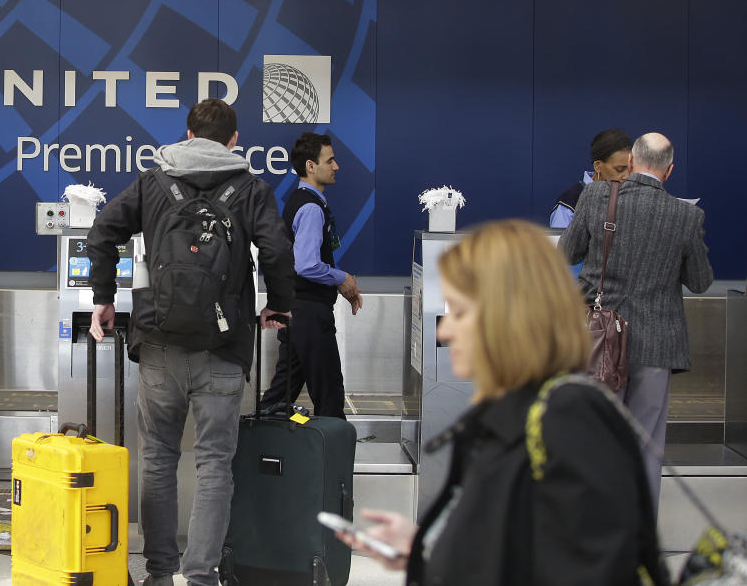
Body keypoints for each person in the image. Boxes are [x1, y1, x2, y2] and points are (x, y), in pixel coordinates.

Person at [343, 220, 669, 586]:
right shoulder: (498, 417)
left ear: (511, 316)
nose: (445, 330)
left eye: (461, 312)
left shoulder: (570, 420)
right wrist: (427, 549)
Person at [85, 98, 295, 586]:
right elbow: (277, 251)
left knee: (157, 456)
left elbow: (101, 233)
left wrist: (103, 297)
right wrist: (278, 304)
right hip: (224, 346)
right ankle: (199, 576)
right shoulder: (252, 188)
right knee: (214, 462)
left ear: (186, 135)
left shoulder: (152, 182)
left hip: (158, 340)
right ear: (234, 140)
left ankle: (160, 572)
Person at [559, 131, 714, 510]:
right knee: (646, 443)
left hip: (599, 340)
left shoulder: (596, 196)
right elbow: (699, 281)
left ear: (631, 163)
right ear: (670, 170)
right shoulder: (686, 215)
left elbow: (567, 252)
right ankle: (637, 542)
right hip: (657, 345)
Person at [259, 131, 362, 418]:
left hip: (295, 311)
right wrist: (342, 278)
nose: (336, 166)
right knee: (329, 394)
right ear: (310, 166)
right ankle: (333, 460)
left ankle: (258, 455)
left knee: (280, 395)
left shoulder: (300, 201)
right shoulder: (311, 208)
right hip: (310, 314)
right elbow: (306, 265)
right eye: (330, 160)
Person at [549, 127, 633, 228]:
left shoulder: (633, 196)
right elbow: (559, 243)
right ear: (597, 166)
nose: (627, 176)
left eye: (631, 169)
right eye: (619, 169)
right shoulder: (570, 202)